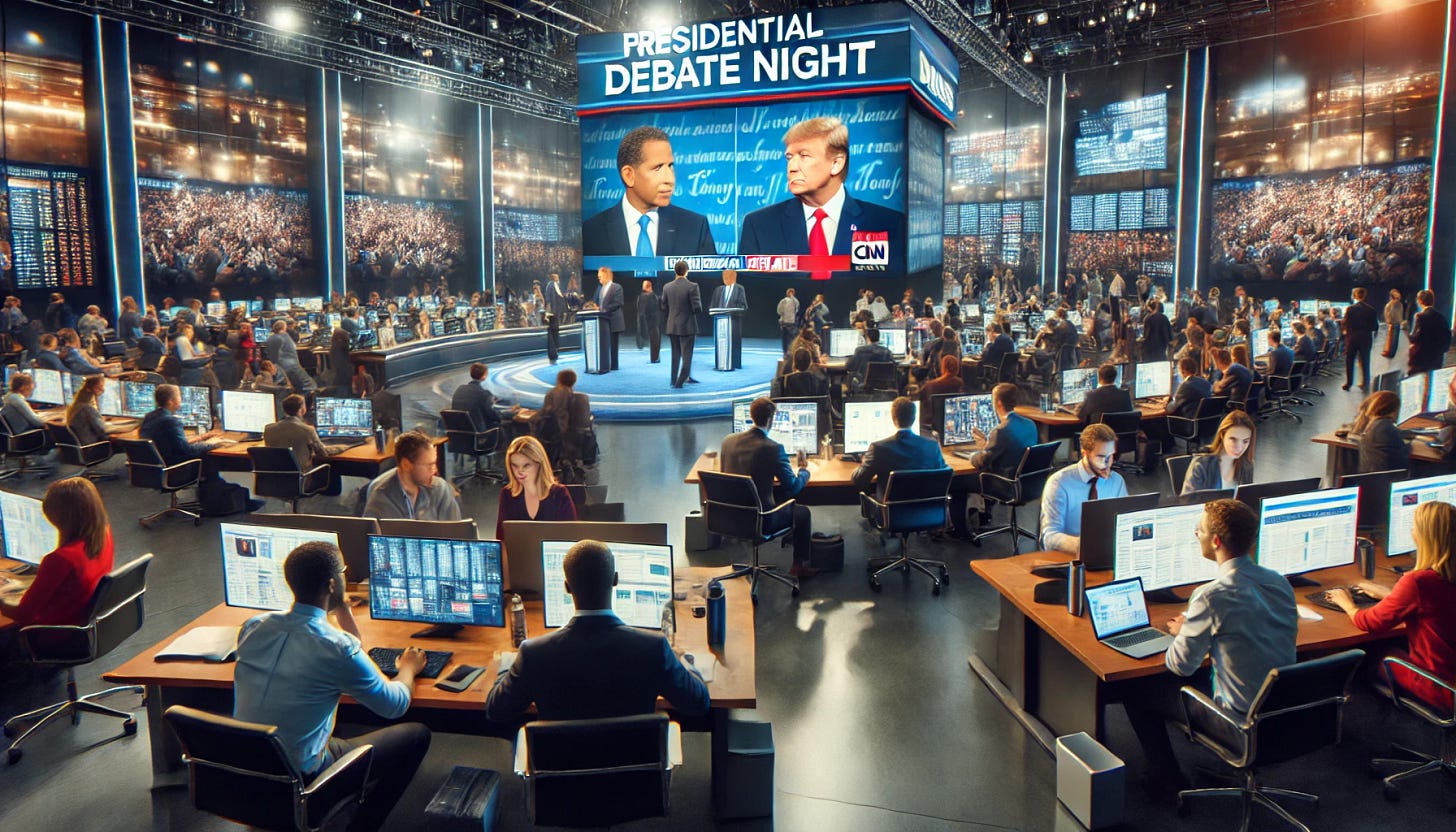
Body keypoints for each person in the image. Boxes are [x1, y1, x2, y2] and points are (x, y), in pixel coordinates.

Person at [233, 541, 431, 832]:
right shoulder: (337, 648)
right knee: (417, 735)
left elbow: (346, 656)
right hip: (302, 773)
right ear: (331, 584)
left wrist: (342, 612)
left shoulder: (254, 626)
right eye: (343, 572)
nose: (345, 577)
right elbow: (394, 705)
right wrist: (408, 669)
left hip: (247, 764)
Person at [1125, 499, 1297, 795]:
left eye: (1199, 531)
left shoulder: (1210, 596)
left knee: (1139, 689)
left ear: (1215, 541)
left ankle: (1166, 779)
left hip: (1240, 722)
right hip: (1286, 711)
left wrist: (1184, 632)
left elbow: (1180, 665)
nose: (1196, 535)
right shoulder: (1279, 582)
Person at [485, 539, 709, 721]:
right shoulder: (654, 648)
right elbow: (699, 703)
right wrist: (683, 660)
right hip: (635, 772)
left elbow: (496, 710)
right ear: (615, 580)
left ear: (567, 587)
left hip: (561, 774)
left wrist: (508, 666)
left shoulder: (533, 654)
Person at [1327, 500, 1456, 712]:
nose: (1411, 530)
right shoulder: (1435, 579)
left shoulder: (1418, 582)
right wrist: (1391, 594)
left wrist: (1347, 604)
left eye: (1414, 526)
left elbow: (1370, 623)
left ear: (1426, 537)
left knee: (1367, 653)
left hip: (1441, 688)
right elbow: (1435, 605)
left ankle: (1373, 731)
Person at [738, 116, 905, 266]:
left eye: (804, 156)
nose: (792, 167)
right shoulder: (759, 225)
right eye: (789, 158)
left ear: (836, 163)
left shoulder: (888, 224)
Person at [581, 126, 716, 257]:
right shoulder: (590, 233)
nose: (670, 179)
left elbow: (709, 280)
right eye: (657, 168)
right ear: (629, 175)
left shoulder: (695, 228)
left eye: (670, 166)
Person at [721, 397, 817, 578]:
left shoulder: (728, 441)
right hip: (762, 519)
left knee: (777, 496)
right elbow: (793, 487)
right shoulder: (773, 448)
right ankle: (798, 566)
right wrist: (804, 471)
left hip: (729, 516)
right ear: (771, 420)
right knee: (803, 513)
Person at [0, 478, 113, 627]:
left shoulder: (61, 559)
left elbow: (23, 614)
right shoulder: (104, 534)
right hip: (80, 620)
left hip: (51, 632)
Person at [1039, 423, 1129, 555]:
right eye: (1101, 457)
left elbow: (1126, 523)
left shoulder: (1117, 481)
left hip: (1107, 555)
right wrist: (1084, 545)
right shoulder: (1059, 483)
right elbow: (1049, 538)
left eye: (1111, 456)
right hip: (1070, 557)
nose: (1107, 463)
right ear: (1084, 453)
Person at [852, 396, 948, 506]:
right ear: (914, 418)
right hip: (930, 514)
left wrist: (865, 460)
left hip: (891, 515)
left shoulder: (878, 448)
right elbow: (944, 475)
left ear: (893, 418)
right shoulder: (933, 446)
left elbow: (859, 480)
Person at [493, 435, 578, 542]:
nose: (520, 471)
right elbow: (502, 539)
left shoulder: (559, 493)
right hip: (519, 556)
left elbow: (570, 537)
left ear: (539, 464)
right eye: (514, 465)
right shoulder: (507, 494)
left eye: (526, 465)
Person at [362, 430, 461, 521]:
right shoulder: (381, 498)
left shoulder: (440, 489)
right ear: (406, 465)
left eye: (434, 463)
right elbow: (371, 537)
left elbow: (456, 535)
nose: (435, 470)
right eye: (429, 465)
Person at [264, 394, 345, 473]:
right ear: (301, 410)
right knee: (332, 471)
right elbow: (323, 453)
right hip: (302, 478)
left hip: (275, 479)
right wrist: (343, 447)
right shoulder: (307, 430)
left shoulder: (268, 429)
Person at [1182, 411, 1256, 495]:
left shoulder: (1247, 465)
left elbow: (1247, 498)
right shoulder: (1202, 464)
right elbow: (1188, 502)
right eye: (1233, 439)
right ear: (1222, 435)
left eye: (1245, 441)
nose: (1239, 447)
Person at [531, 368, 594, 465]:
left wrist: (529, 417)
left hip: (557, 432)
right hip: (572, 431)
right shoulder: (579, 396)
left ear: (559, 379)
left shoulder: (554, 394)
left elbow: (547, 413)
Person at [661, 260, 702, 388]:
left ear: (675, 271)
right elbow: (697, 308)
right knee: (687, 356)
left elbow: (663, 307)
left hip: (672, 325)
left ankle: (674, 379)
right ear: (686, 271)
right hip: (687, 326)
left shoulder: (667, 287)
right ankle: (679, 382)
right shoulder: (692, 286)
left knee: (675, 355)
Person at [1351, 390, 1411, 473]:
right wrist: (1409, 440)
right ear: (1394, 410)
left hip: (1369, 478)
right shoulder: (1387, 427)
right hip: (1391, 480)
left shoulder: (1371, 425)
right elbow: (1406, 448)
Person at [65, 375, 127, 445]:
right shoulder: (87, 409)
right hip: (93, 447)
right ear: (89, 389)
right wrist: (128, 428)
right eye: (99, 387)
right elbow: (103, 430)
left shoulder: (75, 405)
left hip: (83, 445)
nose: (102, 390)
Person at [264, 318, 317, 393]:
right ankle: (301, 402)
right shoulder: (284, 337)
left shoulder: (272, 338)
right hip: (290, 367)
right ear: (284, 327)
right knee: (310, 386)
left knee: (298, 386)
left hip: (283, 368)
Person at [1407, 289, 1451, 376]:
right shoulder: (1441, 317)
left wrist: (1406, 333)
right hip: (1437, 358)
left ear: (1420, 301)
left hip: (1422, 359)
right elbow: (1447, 337)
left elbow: (1416, 338)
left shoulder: (1420, 316)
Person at [1343, 286, 1379, 391]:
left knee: (1349, 360)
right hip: (1366, 338)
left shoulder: (1350, 309)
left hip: (1352, 338)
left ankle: (1349, 383)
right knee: (1365, 360)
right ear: (1364, 295)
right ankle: (1365, 383)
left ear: (1354, 295)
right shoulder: (1371, 310)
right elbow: (1375, 327)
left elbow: (1345, 324)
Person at [450, 363, 500, 432]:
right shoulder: (484, 393)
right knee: (501, 425)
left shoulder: (460, 389)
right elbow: (491, 415)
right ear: (484, 376)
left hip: (458, 430)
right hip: (476, 431)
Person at [542, 272, 569, 364]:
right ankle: (553, 353)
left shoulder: (550, 285)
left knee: (553, 332)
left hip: (553, 313)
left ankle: (554, 352)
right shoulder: (553, 285)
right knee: (554, 333)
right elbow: (555, 298)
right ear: (555, 278)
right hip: (553, 313)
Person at [635, 279, 662, 363]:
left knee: (656, 340)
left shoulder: (652, 295)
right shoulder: (645, 296)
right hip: (650, 321)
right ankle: (654, 358)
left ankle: (655, 357)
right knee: (655, 340)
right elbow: (642, 311)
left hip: (653, 321)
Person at [777, 287, 800, 355]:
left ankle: (788, 352)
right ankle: (786, 352)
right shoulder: (784, 301)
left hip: (790, 323)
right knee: (787, 338)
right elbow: (779, 311)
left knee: (788, 338)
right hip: (786, 322)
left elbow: (779, 311)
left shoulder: (794, 301)